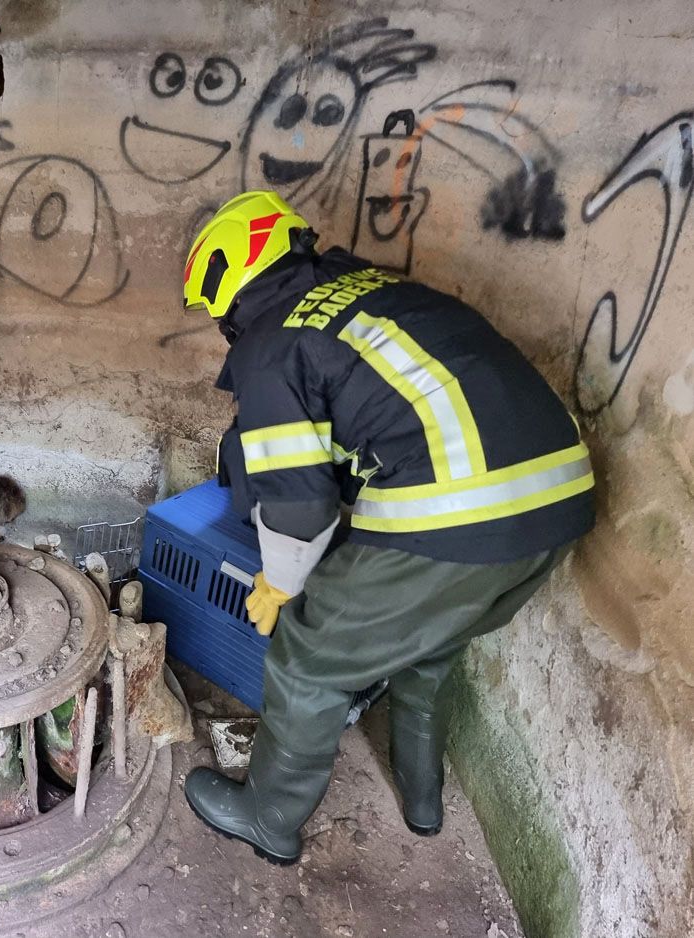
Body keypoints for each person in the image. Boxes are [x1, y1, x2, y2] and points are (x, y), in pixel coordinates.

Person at [180, 191, 595, 863]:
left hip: (459, 510)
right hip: (558, 497)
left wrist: (281, 583)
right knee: (431, 639)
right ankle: (423, 797)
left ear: (228, 292)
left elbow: (300, 508)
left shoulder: (269, 347)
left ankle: (268, 817)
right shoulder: (376, 291)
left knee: (308, 659)